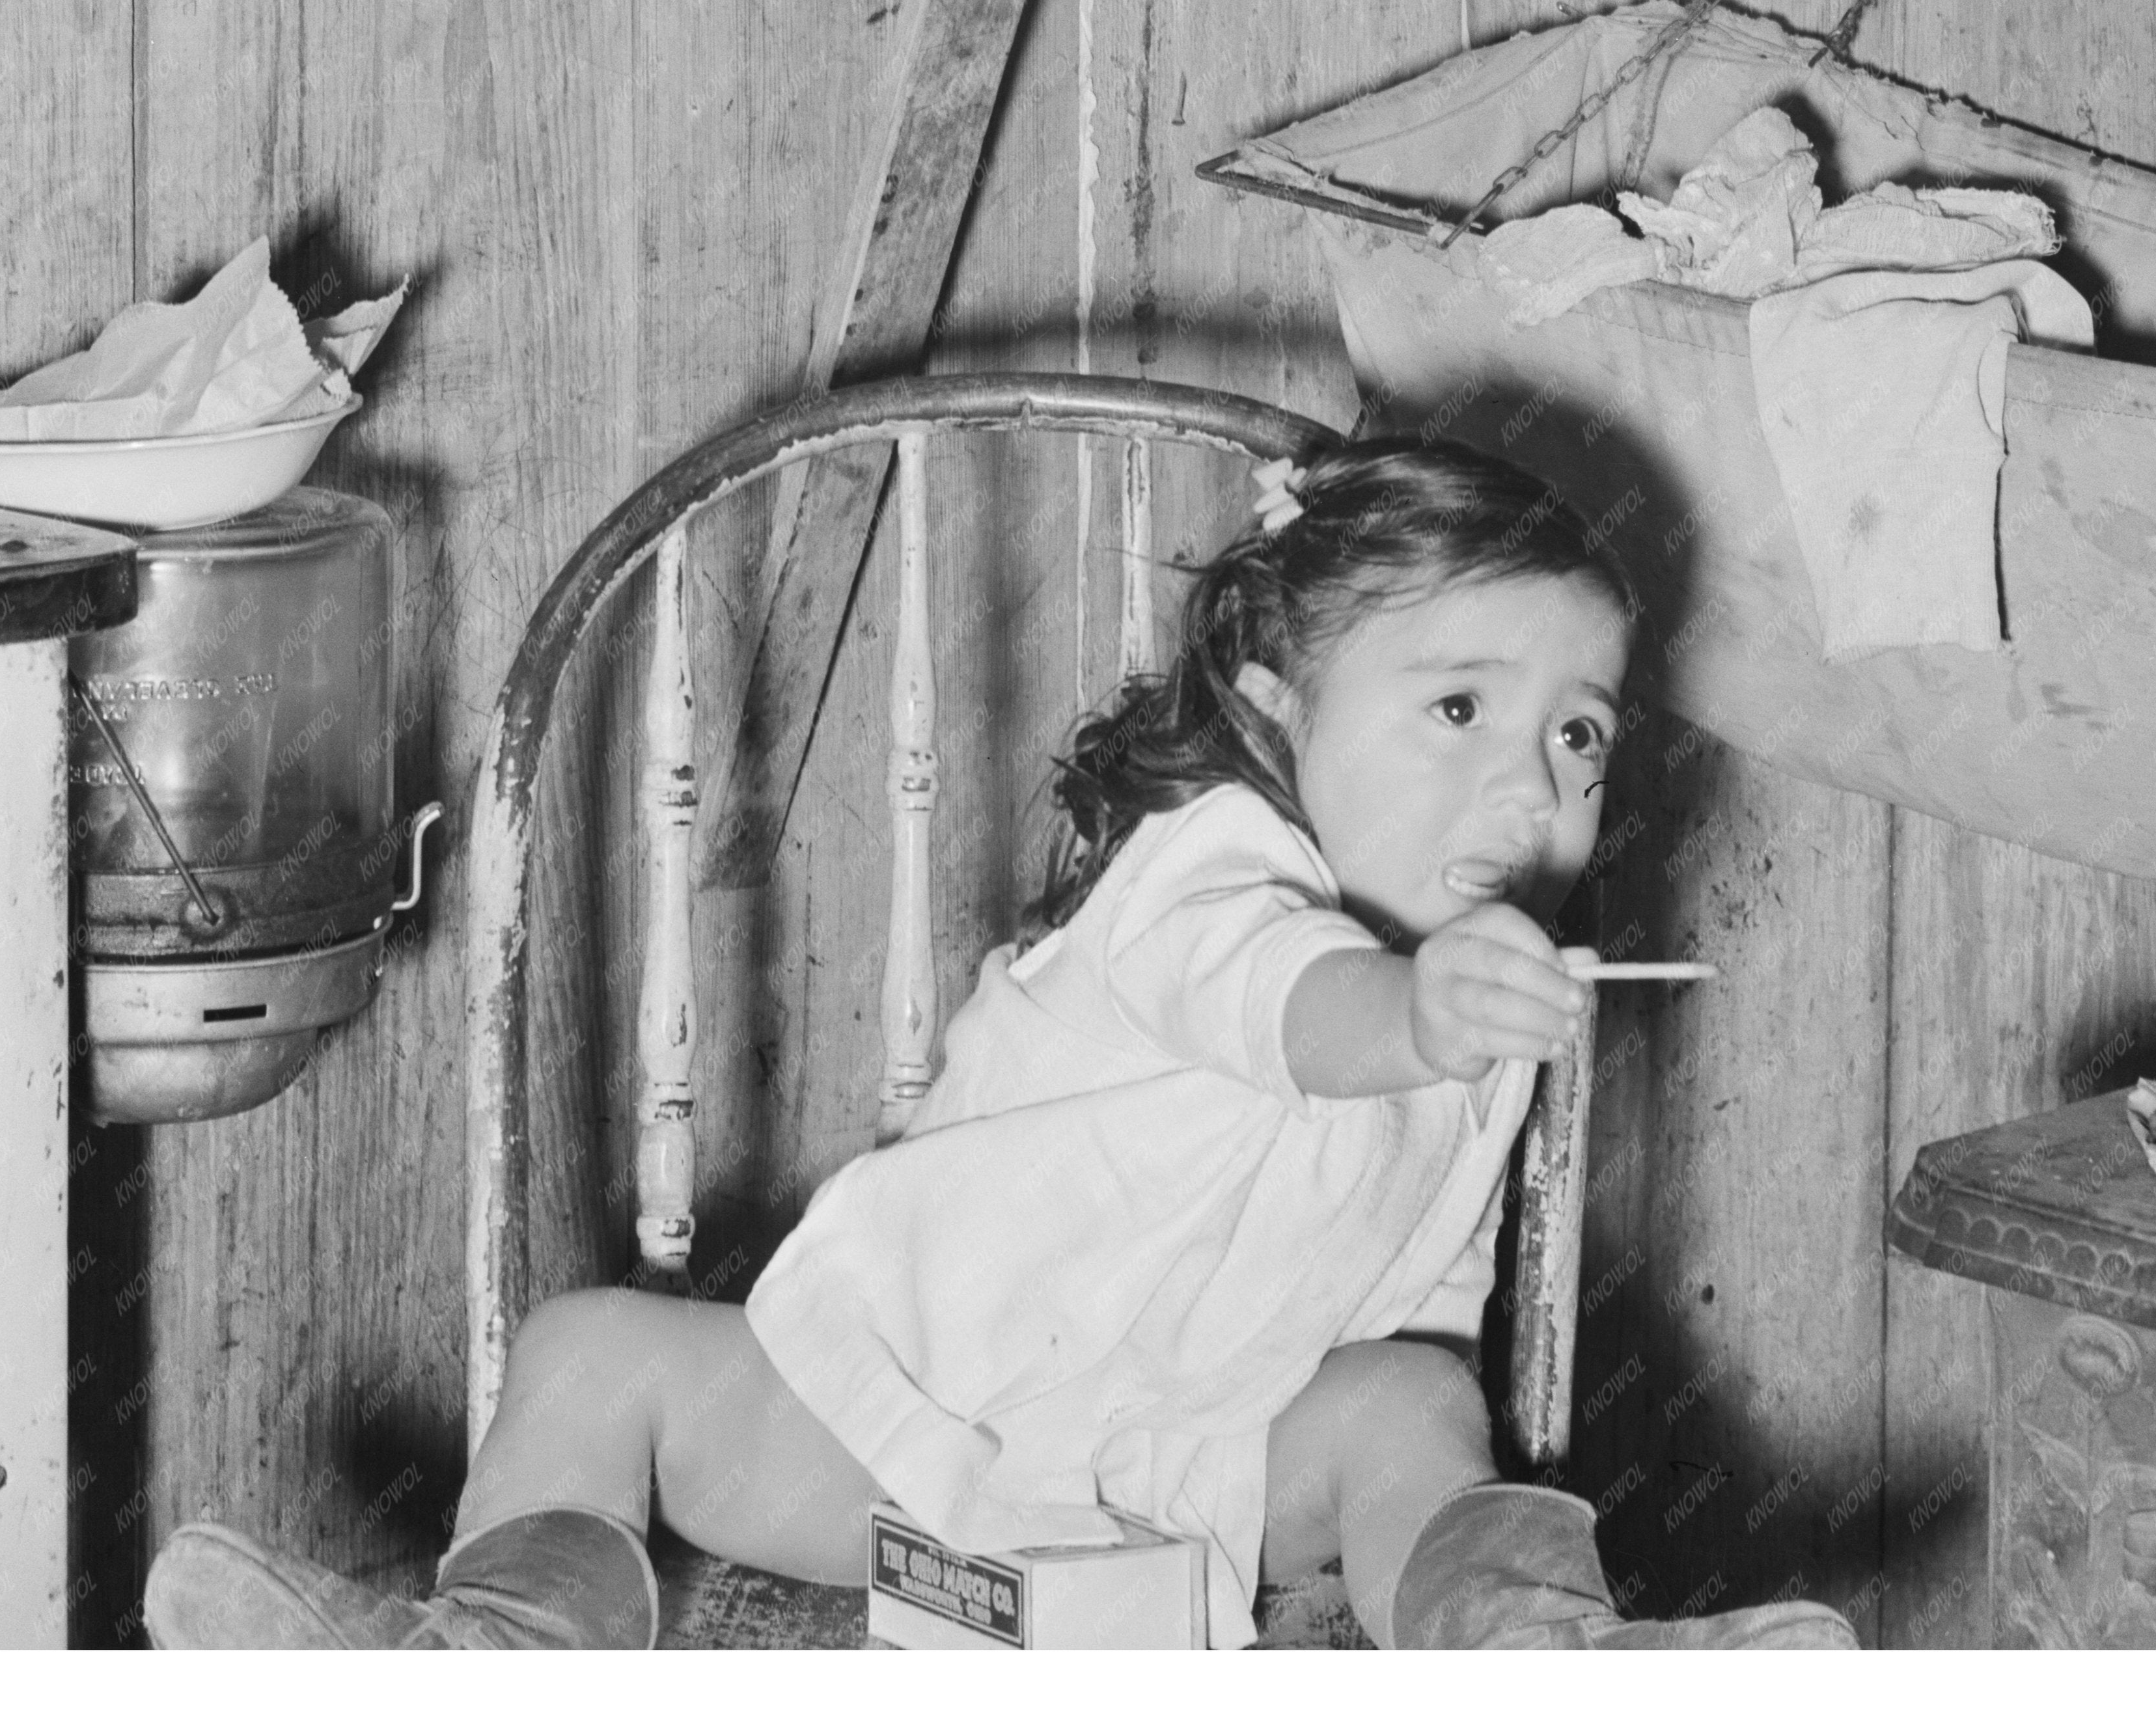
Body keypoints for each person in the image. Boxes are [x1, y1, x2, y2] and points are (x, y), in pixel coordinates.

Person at [146, 441, 1851, 1652]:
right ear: (1270, 711)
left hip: (1201, 1490)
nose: (1530, 780)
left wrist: (1454, 1028)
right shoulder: (1210, 870)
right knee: (596, 1353)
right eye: (1459, 706)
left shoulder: (1484, 988)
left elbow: (1416, 1275)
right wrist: (1417, 1019)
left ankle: (1539, 1645)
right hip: (905, 1435)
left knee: (1413, 1400)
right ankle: (487, 1647)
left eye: (1577, 732)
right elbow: (1283, 1012)